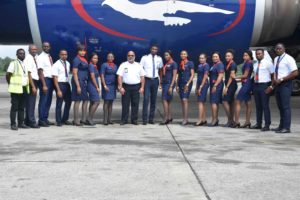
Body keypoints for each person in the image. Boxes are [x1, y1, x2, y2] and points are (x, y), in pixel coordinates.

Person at [271, 43, 298, 133]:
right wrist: (273, 82)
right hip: (277, 85)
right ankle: (281, 126)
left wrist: (282, 79)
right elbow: (275, 71)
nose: (278, 50)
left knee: (285, 106)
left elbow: (295, 73)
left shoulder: (289, 59)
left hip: (285, 84)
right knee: (280, 106)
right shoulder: (275, 59)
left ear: (284, 49)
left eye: (280, 48)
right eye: (276, 49)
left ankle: (286, 128)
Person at [117, 51, 145, 125]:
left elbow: (142, 77)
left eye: (132, 55)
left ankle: (134, 120)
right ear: (127, 56)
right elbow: (119, 76)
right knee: (125, 104)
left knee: (135, 104)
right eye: (129, 55)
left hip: (136, 87)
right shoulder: (123, 65)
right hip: (126, 87)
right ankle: (124, 120)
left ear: (134, 56)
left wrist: (142, 87)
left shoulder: (138, 65)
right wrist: (120, 87)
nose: (130, 57)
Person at [250, 49, 274, 131]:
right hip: (256, 85)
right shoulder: (256, 64)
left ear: (263, 54)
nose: (258, 55)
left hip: (264, 85)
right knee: (258, 106)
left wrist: (271, 86)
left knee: (265, 106)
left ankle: (267, 125)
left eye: (259, 54)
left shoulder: (268, 63)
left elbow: (273, 75)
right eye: (257, 54)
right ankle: (258, 124)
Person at [6, 49, 30, 130]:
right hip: (15, 89)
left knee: (22, 107)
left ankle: (21, 123)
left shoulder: (24, 64)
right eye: (20, 54)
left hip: (23, 88)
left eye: (23, 54)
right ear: (17, 55)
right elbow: (8, 74)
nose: (22, 55)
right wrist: (10, 83)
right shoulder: (13, 63)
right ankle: (13, 124)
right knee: (14, 107)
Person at [140, 45, 163, 125]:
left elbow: (160, 70)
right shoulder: (144, 58)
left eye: (156, 49)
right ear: (150, 49)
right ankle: (144, 119)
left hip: (155, 80)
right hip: (147, 80)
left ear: (157, 50)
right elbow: (140, 69)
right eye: (153, 49)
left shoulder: (159, 59)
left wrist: (160, 82)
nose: (154, 50)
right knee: (146, 99)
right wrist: (141, 82)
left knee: (153, 100)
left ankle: (151, 119)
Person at [233, 50, 254, 128]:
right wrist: (238, 80)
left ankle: (237, 121)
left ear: (250, 56)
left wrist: (235, 77)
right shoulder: (248, 63)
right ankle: (247, 122)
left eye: (246, 55)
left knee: (238, 101)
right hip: (246, 83)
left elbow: (245, 75)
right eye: (244, 55)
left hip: (246, 84)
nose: (244, 56)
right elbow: (247, 76)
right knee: (248, 102)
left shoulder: (248, 63)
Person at [52, 49, 72, 126]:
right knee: (59, 103)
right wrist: (58, 90)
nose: (64, 56)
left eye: (65, 54)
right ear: (59, 55)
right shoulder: (56, 64)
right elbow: (55, 78)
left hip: (67, 84)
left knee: (68, 102)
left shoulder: (68, 63)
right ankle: (58, 121)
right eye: (62, 54)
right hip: (60, 84)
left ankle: (65, 119)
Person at [37, 42, 55, 127]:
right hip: (45, 80)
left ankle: (45, 118)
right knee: (43, 100)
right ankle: (41, 120)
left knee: (48, 100)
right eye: (45, 46)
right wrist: (44, 84)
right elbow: (40, 71)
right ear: (42, 47)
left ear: (50, 47)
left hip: (50, 80)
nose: (46, 48)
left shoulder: (49, 56)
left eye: (48, 46)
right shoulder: (40, 57)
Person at [71, 44, 89, 126]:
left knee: (85, 100)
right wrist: (78, 86)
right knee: (77, 101)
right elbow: (74, 73)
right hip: (77, 81)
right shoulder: (76, 60)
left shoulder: (84, 59)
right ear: (78, 51)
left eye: (84, 50)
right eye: (81, 50)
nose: (82, 52)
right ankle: (76, 120)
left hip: (83, 82)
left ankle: (83, 119)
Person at [159, 50, 178, 125]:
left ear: (170, 55)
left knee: (164, 100)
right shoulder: (166, 63)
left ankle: (166, 118)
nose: (166, 56)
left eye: (167, 55)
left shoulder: (174, 64)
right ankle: (169, 117)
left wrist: (171, 86)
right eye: (165, 55)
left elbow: (174, 75)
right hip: (165, 83)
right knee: (168, 101)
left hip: (169, 83)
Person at [176, 50, 195, 125]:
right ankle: (184, 118)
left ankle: (186, 119)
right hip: (180, 83)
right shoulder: (180, 63)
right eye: (181, 54)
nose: (183, 55)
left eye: (184, 54)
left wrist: (187, 84)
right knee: (182, 101)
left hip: (187, 83)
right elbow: (179, 75)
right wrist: (177, 85)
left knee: (185, 99)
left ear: (187, 55)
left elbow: (192, 74)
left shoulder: (190, 63)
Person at [24, 44, 40, 128]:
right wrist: (33, 86)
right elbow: (28, 73)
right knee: (31, 102)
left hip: (35, 80)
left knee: (31, 102)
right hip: (31, 81)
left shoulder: (35, 57)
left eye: (35, 49)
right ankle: (32, 122)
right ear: (29, 50)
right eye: (33, 49)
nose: (34, 51)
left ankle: (27, 121)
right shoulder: (28, 59)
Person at [100, 53, 118, 125]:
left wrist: (117, 86)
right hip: (107, 86)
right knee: (106, 102)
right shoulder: (104, 65)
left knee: (111, 102)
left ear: (113, 58)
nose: (110, 58)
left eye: (112, 57)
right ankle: (104, 120)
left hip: (113, 86)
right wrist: (104, 85)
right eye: (109, 57)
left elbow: (117, 76)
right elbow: (102, 75)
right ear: (107, 58)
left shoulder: (115, 66)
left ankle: (109, 119)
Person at [209, 52, 225, 127]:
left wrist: (215, 85)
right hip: (214, 84)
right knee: (215, 102)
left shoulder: (220, 65)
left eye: (216, 56)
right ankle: (215, 119)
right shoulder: (215, 65)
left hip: (217, 85)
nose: (214, 58)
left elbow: (220, 76)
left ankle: (214, 120)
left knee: (213, 102)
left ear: (219, 57)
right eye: (213, 57)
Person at [223, 50, 237, 127]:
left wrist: (227, 87)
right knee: (231, 102)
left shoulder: (233, 65)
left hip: (231, 85)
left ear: (232, 57)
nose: (227, 57)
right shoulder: (228, 63)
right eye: (226, 56)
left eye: (228, 56)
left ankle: (230, 120)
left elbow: (231, 76)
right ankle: (231, 120)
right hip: (229, 84)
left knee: (225, 101)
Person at [195, 53, 210, 126]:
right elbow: (198, 77)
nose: (201, 59)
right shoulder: (199, 65)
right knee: (201, 102)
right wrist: (197, 87)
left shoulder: (206, 65)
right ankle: (203, 119)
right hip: (199, 84)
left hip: (204, 84)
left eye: (202, 58)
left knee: (200, 102)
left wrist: (201, 87)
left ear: (205, 59)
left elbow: (205, 76)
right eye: (200, 58)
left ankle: (200, 119)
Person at [87, 53, 101, 126]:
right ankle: (89, 118)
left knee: (92, 102)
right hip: (92, 85)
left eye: (97, 58)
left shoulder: (94, 66)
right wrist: (97, 87)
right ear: (91, 59)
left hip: (94, 84)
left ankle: (89, 119)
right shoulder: (91, 66)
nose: (96, 60)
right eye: (94, 58)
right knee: (96, 102)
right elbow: (92, 77)